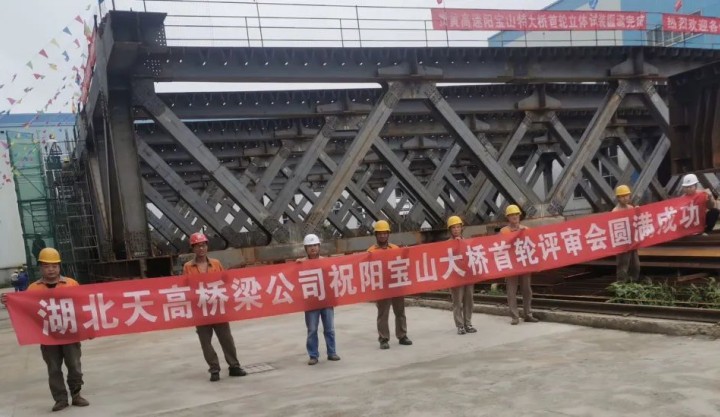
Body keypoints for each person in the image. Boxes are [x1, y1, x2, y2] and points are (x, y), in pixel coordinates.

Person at [1, 248, 90, 412]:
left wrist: (88, 329)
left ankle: (76, 394)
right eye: (46, 266)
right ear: (40, 268)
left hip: (70, 334)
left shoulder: (71, 284)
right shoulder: (33, 289)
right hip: (48, 337)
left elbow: (82, 307)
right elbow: (25, 310)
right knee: (54, 369)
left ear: (59, 266)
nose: (51, 269)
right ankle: (60, 399)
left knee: (74, 366)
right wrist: (10, 302)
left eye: (54, 266)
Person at [182, 232, 246, 382]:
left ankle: (234, 366)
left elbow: (225, 281)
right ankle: (214, 369)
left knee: (226, 339)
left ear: (207, 247)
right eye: (197, 246)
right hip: (201, 309)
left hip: (218, 307)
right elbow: (186, 286)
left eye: (203, 245)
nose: (201, 249)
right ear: (193, 248)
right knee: (205, 342)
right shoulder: (188, 267)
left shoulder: (216, 264)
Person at [368, 220, 413, 349]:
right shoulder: (370, 252)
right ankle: (383, 339)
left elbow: (403, 263)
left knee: (400, 311)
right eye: (380, 233)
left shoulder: (395, 248)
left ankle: (402, 335)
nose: (382, 236)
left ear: (388, 234)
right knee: (383, 314)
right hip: (382, 287)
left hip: (396, 284)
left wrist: (406, 252)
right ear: (376, 235)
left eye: (385, 233)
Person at [297, 234, 340, 365]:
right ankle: (313, 355)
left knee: (329, 329)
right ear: (305, 248)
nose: (313, 248)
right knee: (312, 330)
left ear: (319, 246)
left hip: (326, 301)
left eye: (315, 245)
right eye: (310, 246)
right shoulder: (301, 263)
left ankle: (332, 352)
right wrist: (297, 265)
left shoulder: (326, 262)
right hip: (311, 302)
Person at [500, 205, 539, 326]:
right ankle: (515, 317)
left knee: (527, 290)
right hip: (511, 265)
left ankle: (528, 314)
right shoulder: (504, 231)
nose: (515, 217)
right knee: (511, 291)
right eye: (512, 215)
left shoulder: (526, 229)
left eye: (516, 214)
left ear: (519, 216)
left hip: (524, 263)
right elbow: (502, 247)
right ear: (508, 217)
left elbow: (532, 244)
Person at [447, 215, 476, 335]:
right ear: (450, 230)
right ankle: (460, 325)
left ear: (461, 228)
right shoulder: (446, 244)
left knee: (469, 300)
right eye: (453, 227)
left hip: (467, 276)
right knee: (457, 302)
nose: (456, 230)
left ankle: (468, 323)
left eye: (458, 227)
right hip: (456, 276)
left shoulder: (467, 242)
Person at [612, 185, 640, 282]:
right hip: (622, 243)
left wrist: (638, 212)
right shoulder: (615, 212)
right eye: (623, 196)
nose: (625, 198)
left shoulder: (631, 208)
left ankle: (633, 282)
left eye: (627, 195)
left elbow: (636, 222)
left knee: (635, 265)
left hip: (632, 242)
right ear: (618, 198)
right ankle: (621, 284)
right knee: (623, 266)